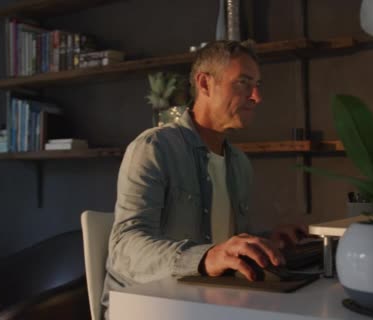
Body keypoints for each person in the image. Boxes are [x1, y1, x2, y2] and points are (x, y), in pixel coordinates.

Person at [101, 40, 307, 316]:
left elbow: (222, 244)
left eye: (258, 85)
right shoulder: (154, 148)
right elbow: (125, 249)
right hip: (145, 308)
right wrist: (206, 258)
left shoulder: (239, 163)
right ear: (205, 84)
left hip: (205, 304)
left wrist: (267, 240)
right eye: (244, 83)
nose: (257, 97)